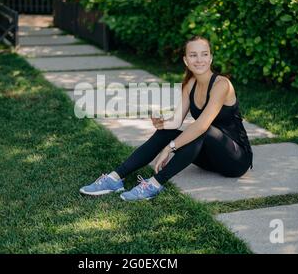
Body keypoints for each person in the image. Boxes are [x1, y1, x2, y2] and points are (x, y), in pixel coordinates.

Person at [80, 36, 253, 201]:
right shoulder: (190, 84)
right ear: (186, 60)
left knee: (202, 130)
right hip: (210, 159)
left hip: (236, 159)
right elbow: (176, 122)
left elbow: (201, 126)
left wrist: (169, 148)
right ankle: (114, 178)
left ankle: (154, 184)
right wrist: (162, 123)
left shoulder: (221, 84)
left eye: (204, 54)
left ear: (211, 58)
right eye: (193, 55)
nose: (199, 60)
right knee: (166, 132)